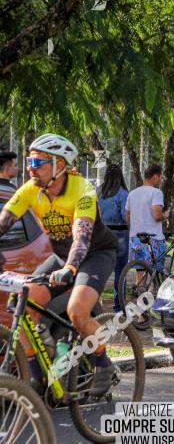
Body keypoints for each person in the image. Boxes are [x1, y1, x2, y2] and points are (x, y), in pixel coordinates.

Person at [0, 134, 118, 395]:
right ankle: (37, 374)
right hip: (61, 258)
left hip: (95, 255)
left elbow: (82, 237)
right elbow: (4, 221)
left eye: (38, 161)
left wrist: (69, 270)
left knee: (77, 311)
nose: (30, 167)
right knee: (22, 303)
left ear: (60, 165)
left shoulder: (82, 190)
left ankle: (102, 362)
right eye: (29, 160)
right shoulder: (30, 190)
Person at [97, 164, 129, 313]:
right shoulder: (123, 194)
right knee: (120, 272)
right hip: (120, 234)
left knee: (100, 270)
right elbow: (124, 215)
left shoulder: (99, 192)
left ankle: (96, 303)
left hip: (102, 233)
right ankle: (119, 306)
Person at [125, 164, 169, 273]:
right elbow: (157, 215)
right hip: (153, 238)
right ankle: (152, 289)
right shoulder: (156, 193)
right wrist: (166, 215)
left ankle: (140, 289)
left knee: (140, 270)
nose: (161, 180)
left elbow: (128, 215)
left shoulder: (132, 193)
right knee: (155, 272)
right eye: (160, 177)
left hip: (135, 238)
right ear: (155, 176)